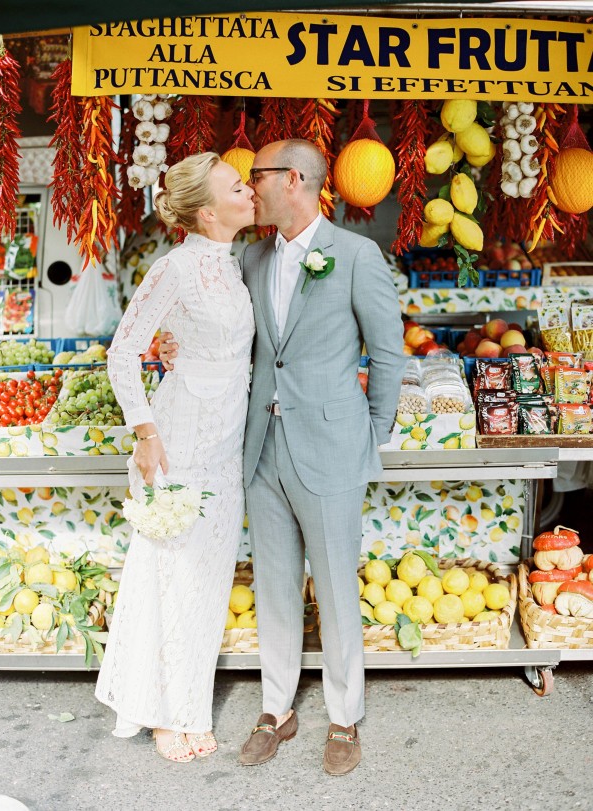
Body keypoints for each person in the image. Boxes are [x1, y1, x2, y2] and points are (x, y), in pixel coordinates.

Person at [159, 139, 405, 775]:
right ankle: (277, 708)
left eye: (255, 176)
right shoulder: (253, 255)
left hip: (331, 446)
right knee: (273, 586)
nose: (248, 186)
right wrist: (176, 344)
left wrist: (368, 432)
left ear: (292, 180)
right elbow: (232, 337)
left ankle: (345, 716)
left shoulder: (355, 255)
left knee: (335, 587)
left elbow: (388, 352)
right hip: (261, 450)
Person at [95, 154, 256, 763]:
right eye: (238, 186)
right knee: (172, 572)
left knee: (208, 576)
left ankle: (188, 699)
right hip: (181, 433)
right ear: (209, 210)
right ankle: (167, 713)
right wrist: (145, 433)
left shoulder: (232, 264)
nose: (249, 191)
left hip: (226, 440)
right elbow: (123, 352)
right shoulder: (175, 267)